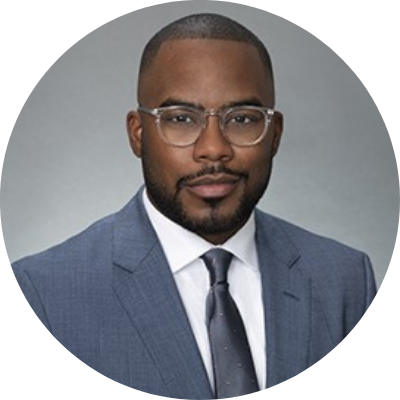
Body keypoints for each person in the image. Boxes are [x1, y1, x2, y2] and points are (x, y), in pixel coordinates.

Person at [12, 13, 376, 399]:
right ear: (138, 135)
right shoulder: (41, 295)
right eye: (182, 118)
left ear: (275, 135)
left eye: (242, 119)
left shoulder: (345, 281)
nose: (214, 149)